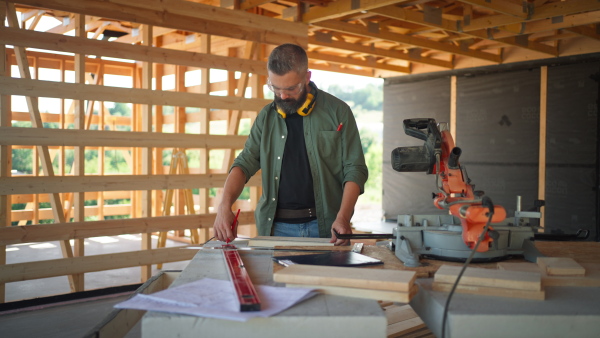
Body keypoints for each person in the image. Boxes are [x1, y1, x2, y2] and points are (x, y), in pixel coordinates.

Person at [212, 43, 368, 246]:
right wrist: (224, 205)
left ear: (307, 77)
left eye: (290, 88)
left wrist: (343, 217)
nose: (283, 96)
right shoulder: (265, 118)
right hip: (275, 228)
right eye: (275, 89)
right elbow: (244, 163)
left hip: (326, 227)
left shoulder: (338, 111)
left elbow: (354, 169)